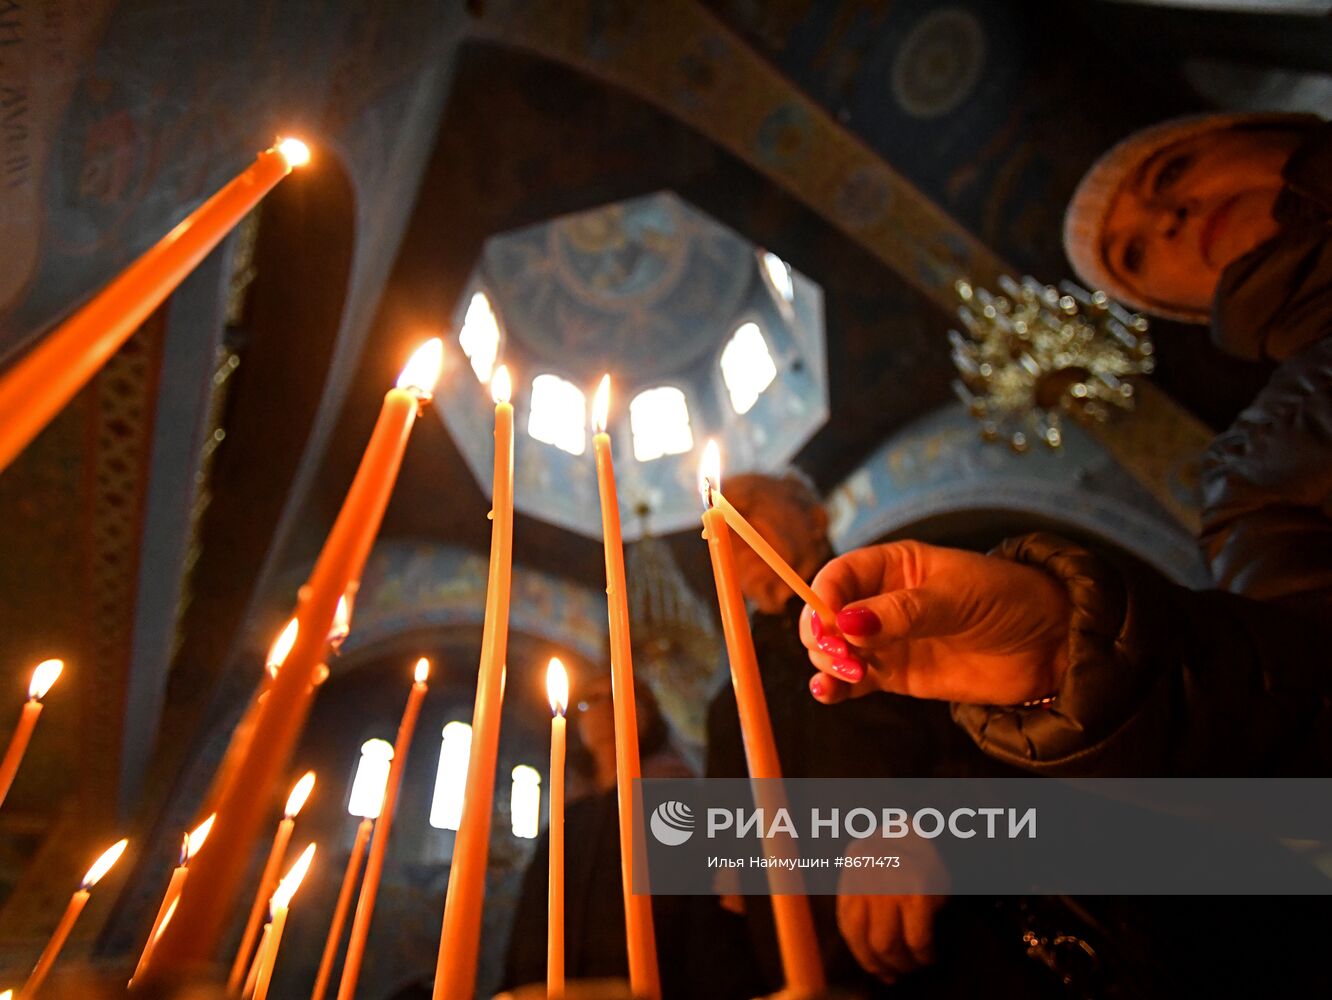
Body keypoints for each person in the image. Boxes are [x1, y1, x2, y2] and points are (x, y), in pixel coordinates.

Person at [1062, 111, 1332, 606]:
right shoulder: (1260, 488)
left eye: (1169, 173)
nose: (1168, 218)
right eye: (1136, 255)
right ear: (1182, 307)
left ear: (1266, 128)